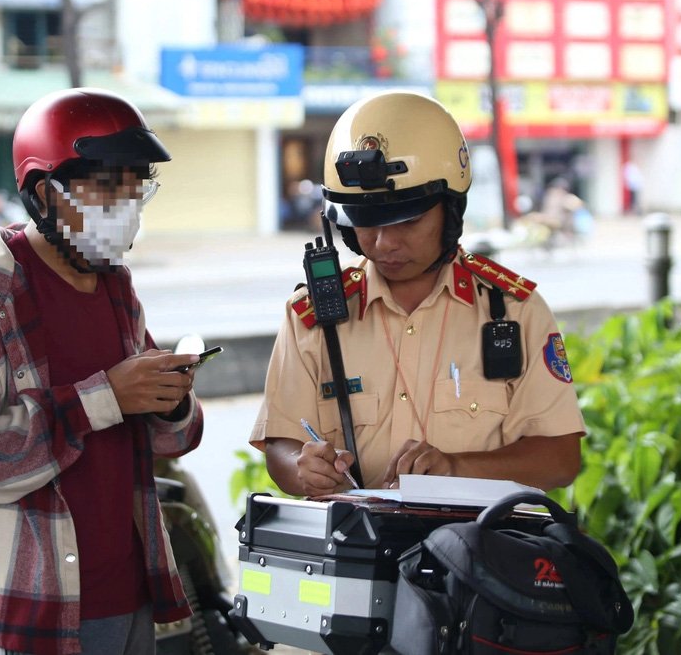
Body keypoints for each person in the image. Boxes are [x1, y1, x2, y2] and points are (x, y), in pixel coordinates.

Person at [0, 88, 205, 655]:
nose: (126, 204)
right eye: (105, 186)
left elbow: (171, 436)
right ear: (46, 193)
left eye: (135, 186)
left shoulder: (116, 287)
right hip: (31, 601)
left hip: (128, 589)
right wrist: (104, 399)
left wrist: (170, 399)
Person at [250, 91, 585, 497]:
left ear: (452, 210)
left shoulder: (516, 312)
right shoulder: (309, 318)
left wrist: (457, 468)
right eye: (365, 223)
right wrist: (302, 469)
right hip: (358, 552)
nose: (383, 243)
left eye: (407, 221)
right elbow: (282, 445)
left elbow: (561, 458)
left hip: (478, 553)